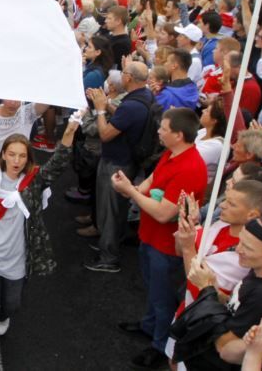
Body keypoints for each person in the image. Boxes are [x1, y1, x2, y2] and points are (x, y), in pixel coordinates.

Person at [0, 120, 77, 371]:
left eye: (22, 156)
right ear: (3, 156)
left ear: (27, 158)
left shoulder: (34, 182)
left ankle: (4, 316)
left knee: (12, 303)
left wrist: (69, 134)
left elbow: (58, 164)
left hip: (17, 259)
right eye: (11, 154)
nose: (16, 160)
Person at [111, 107, 209, 369]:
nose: (158, 132)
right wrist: (132, 188)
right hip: (150, 237)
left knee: (163, 297)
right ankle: (149, 326)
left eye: (163, 129)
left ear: (178, 135)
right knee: (154, 291)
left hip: (166, 246)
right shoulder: (172, 154)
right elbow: (153, 180)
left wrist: (131, 193)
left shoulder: (190, 167)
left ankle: (159, 345)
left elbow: (164, 213)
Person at [188, 217, 262, 368]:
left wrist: (206, 290)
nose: (238, 249)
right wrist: (213, 287)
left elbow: (224, 345)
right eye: (240, 241)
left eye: (248, 248)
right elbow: (236, 305)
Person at [82, 61, 153, 272]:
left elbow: (105, 134)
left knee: (110, 211)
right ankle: (110, 243)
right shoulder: (144, 97)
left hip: (116, 164)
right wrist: (107, 104)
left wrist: (101, 110)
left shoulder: (131, 106)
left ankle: (108, 257)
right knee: (116, 210)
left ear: (129, 78)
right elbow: (123, 117)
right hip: (127, 161)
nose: (120, 76)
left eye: (123, 72)